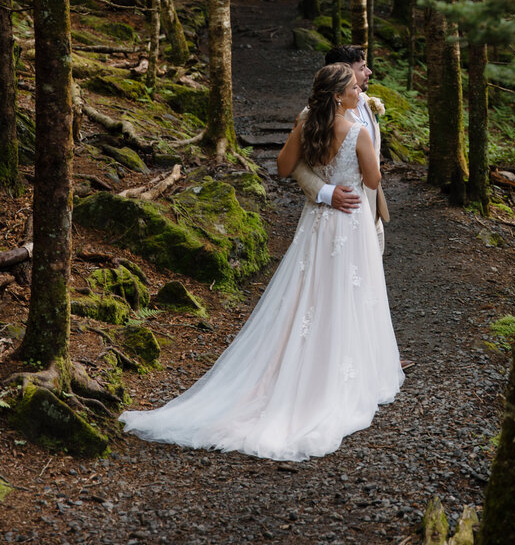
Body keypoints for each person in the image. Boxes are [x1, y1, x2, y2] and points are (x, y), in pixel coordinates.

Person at [119, 64, 403, 461]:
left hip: (316, 226)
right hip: (349, 224)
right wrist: (363, 160)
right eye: (354, 87)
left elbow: (284, 166)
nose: (360, 90)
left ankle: (306, 366)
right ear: (339, 95)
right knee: (347, 294)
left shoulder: (309, 126)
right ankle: (333, 376)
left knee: (309, 295)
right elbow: (372, 181)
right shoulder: (355, 132)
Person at [292, 45, 388, 253]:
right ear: (343, 71)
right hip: (334, 216)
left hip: (371, 215)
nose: (369, 72)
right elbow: (295, 162)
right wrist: (324, 192)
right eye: (362, 67)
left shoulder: (366, 102)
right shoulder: (312, 114)